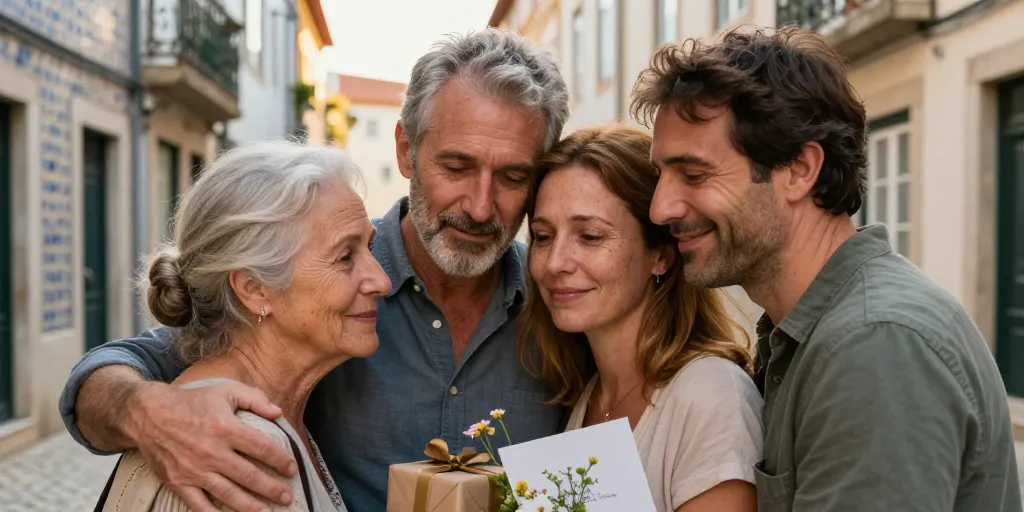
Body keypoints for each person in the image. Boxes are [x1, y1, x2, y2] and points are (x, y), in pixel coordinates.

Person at [59, 29, 571, 512]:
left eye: (512, 176)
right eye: (456, 167)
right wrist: (146, 411)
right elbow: (143, 361)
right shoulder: (314, 271)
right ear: (405, 150)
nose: (480, 208)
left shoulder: (565, 304)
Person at [632, 26, 1023, 511]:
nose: (660, 208)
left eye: (693, 174)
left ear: (799, 170)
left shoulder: (874, 344)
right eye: (660, 176)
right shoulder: (813, 332)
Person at [96, 140, 390, 511]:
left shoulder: (268, 419)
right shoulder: (229, 448)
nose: (381, 280)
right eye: (345, 256)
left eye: (370, 248)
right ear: (254, 288)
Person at [519, 125, 763, 512]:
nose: (555, 262)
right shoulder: (587, 396)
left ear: (661, 255)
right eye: (543, 236)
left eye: (591, 236)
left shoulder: (710, 394)